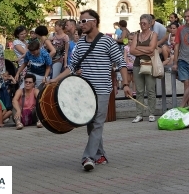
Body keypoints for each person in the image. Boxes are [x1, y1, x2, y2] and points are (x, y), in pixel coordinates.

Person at [51, 9, 131, 171]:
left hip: (102, 90)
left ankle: (88, 157)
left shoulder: (108, 42)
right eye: (80, 22)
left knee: (97, 124)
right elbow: (72, 66)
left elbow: (121, 64)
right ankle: (100, 154)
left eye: (83, 21)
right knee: (90, 124)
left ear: (93, 21)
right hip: (85, 90)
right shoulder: (80, 43)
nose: (81, 25)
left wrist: (126, 85)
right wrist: (56, 79)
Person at [129, 14, 158, 123]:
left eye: (144, 23)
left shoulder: (153, 35)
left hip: (149, 64)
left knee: (150, 90)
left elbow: (151, 49)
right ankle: (139, 114)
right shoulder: (137, 35)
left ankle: (151, 113)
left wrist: (138, 48)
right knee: (139, 91)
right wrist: (145, 49)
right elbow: (132, 50)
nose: (142, 25)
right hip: (137, 64)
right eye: (141, 23)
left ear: (150, 24)